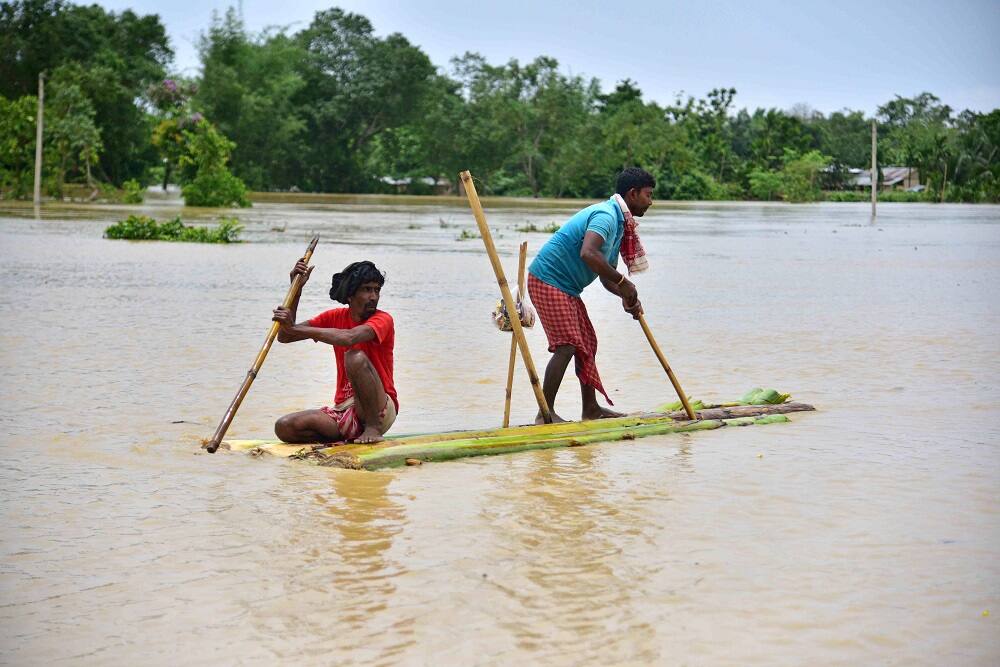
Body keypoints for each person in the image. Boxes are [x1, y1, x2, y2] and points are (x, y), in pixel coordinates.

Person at [527, 167, 654, 423]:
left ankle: (591, 409)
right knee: (567, 345)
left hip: (567, 287)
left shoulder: (619, 223)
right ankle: (544, 414)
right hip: (547, 280)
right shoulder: (606, 216)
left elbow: (607, 275)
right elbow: (588, 253)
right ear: (632, 193)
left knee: (587, 343)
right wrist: (624, 283)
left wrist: (626, 296)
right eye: (648, 195)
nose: (650, 202)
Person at [272, 259, 398, 444]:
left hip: (379, 409)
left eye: (376, 290)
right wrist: (296, 290)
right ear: (350, 295)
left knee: (354, 357)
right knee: (284, 426)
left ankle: (372, 430)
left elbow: (350, 337)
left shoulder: (383, 319)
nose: (373, 296)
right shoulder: (334, 316)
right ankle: (341, 439)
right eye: (366, 289)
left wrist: (295, 328)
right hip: (344, 409)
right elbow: (285, 336)